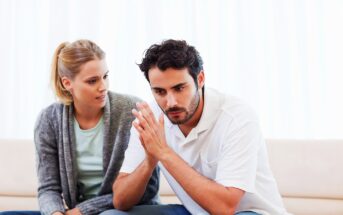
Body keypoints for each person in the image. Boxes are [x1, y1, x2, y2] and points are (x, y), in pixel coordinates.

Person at [104, 39, 290, 215]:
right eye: (160, 91)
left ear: (200, 79)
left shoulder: (237, 117)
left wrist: (163, 152)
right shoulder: (151, 119)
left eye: (179, 88)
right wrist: (150, 161)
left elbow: (225, 208)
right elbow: (121, 201)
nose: (171, 102)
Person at [0, 40, 159, 215]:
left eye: (105, 76)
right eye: (92, 81)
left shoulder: (132, 111)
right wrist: (56, 213)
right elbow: (48, 188)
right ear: (67, 83)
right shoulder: (49, 120)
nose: (103, 87)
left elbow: (148, 189)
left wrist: (82, 211)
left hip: (125, 210)